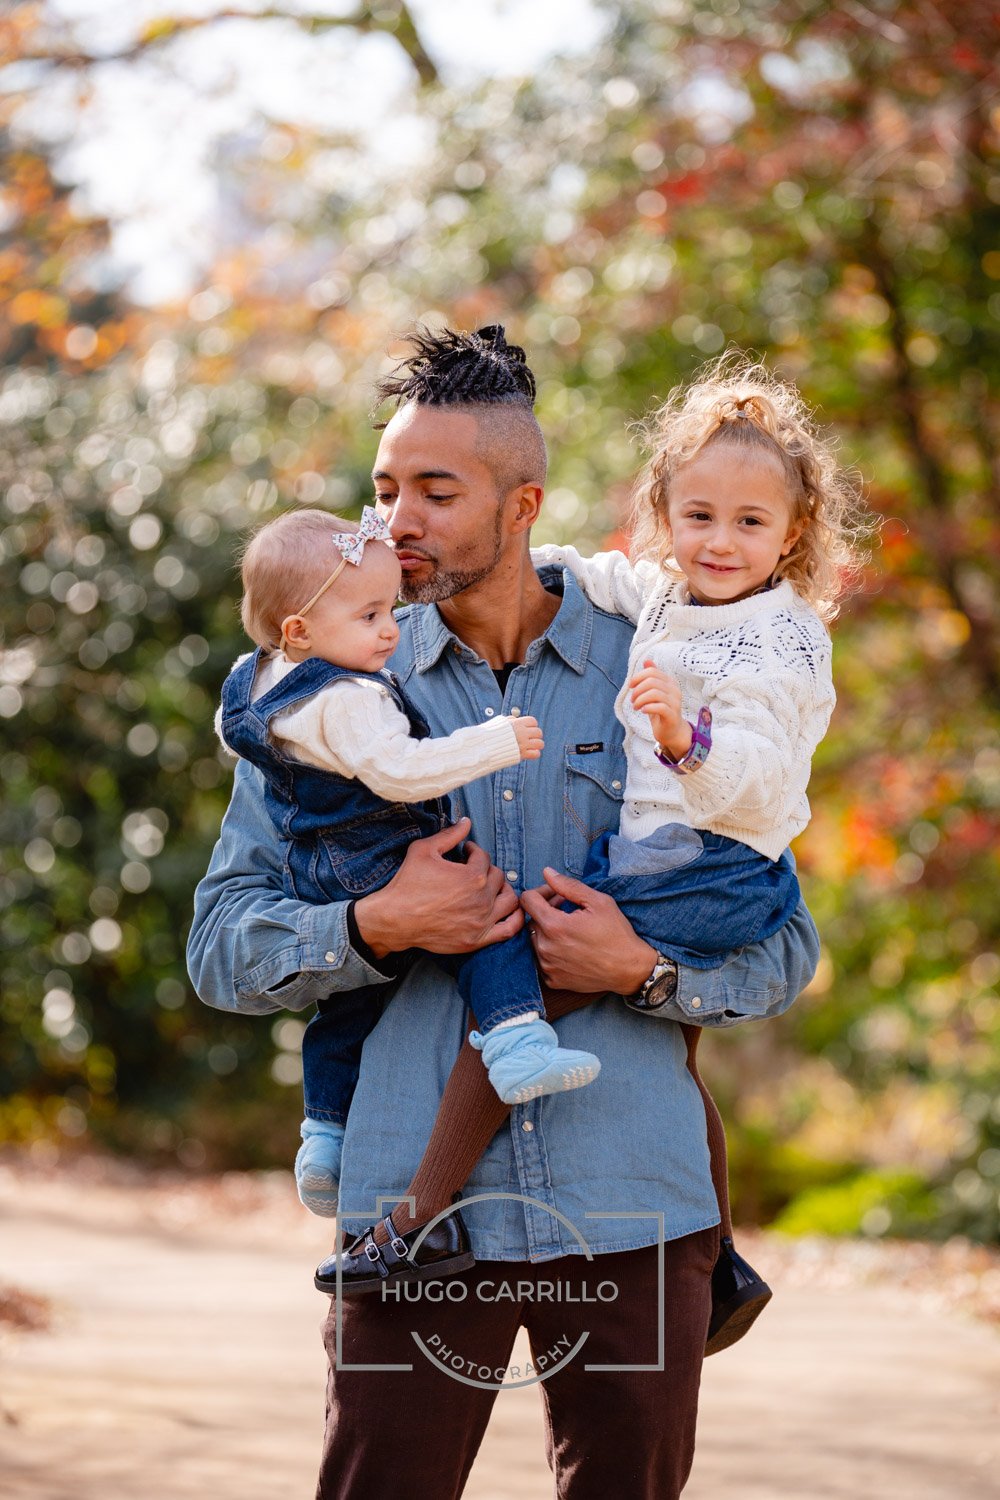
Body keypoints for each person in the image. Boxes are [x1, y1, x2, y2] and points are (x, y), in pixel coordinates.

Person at [188, 324, 821, 1500]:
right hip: (416, 1227)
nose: (394, 523)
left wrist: (642, 969)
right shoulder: (324, 695)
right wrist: (378, 924)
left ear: (521, 501)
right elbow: (220, 949)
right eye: (383, 490)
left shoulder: (665, 651)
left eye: (435, 490)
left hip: (632, 1202)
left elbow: (784, 944)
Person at [216, 503, 599, 1215]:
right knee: (487, 920)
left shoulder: (258, 678)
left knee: (347, 1003)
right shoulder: (349, 698)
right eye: (368, 618)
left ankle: (325, 1133)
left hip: (321, 868)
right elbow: (402, 772)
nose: (389, 629)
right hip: (380, 856)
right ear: (298, 631)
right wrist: (497, 741)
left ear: (521, 504)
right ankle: (518, 1043)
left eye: (388, 608)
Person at [527, 352, 866, 986]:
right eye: (700, 516)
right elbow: (606, 578)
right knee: (551, 948)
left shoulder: (781, 639)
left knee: (545, 946)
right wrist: (518, 559)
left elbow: (766, 776)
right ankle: (527, 1042)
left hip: (721, 863)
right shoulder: (669, 593)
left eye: (750, 522)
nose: (720, 543)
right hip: (660, 851)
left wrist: (687, 741)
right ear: (667, 516)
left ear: (791, 535)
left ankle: (507, 1051)